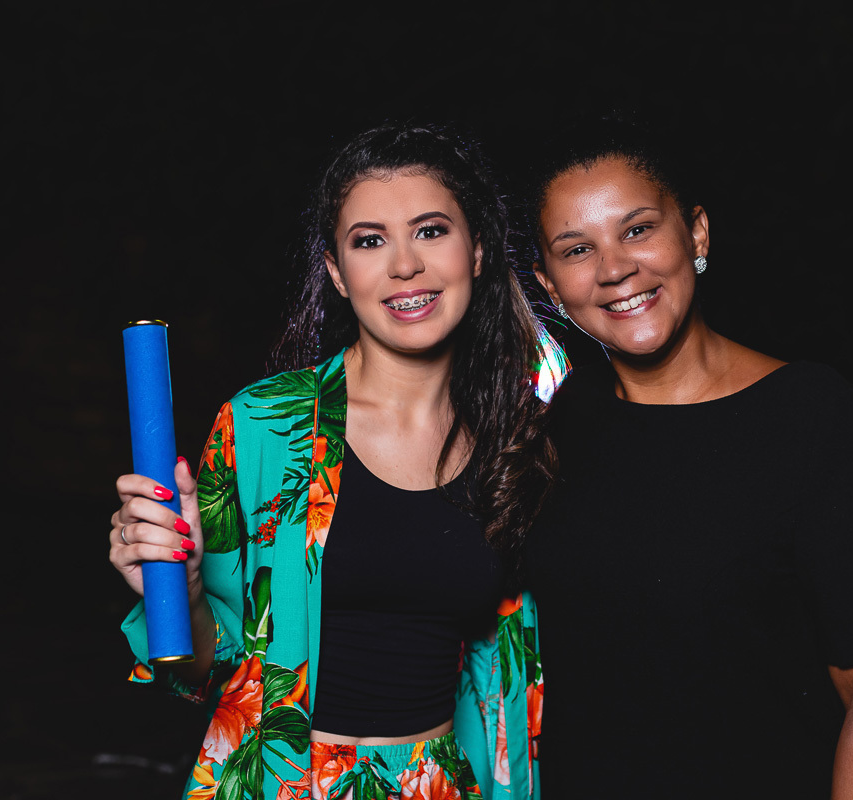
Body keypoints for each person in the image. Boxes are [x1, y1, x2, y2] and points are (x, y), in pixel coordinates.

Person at [108, 123, 564, 800]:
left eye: (431, 231)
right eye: (369, 241)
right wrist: (189, 590)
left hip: (440, 784)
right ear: (336, 273)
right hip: (287, 784)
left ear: (476, 252)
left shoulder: (515, 440)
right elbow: (202, 669)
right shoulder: (263, 426)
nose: (404, 265)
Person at [523, 116, 853, 798]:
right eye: (577, 249)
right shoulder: (557, 426)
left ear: (697, 234)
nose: (615, 269)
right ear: (550, 284)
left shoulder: (816, 419)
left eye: (638, 229)